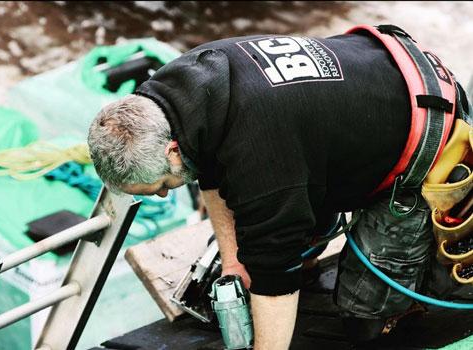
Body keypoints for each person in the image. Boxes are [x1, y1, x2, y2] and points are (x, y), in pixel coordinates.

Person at [88, 25, 471, 349]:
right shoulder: (177, 91)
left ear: (171, 151)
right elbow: (206, 169)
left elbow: (275, 273)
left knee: (364, 317)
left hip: (430, 123)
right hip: (370, 79)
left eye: (160, 186)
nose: (163, 195)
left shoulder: (260, 156)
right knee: (268, 234)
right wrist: (236, 262)